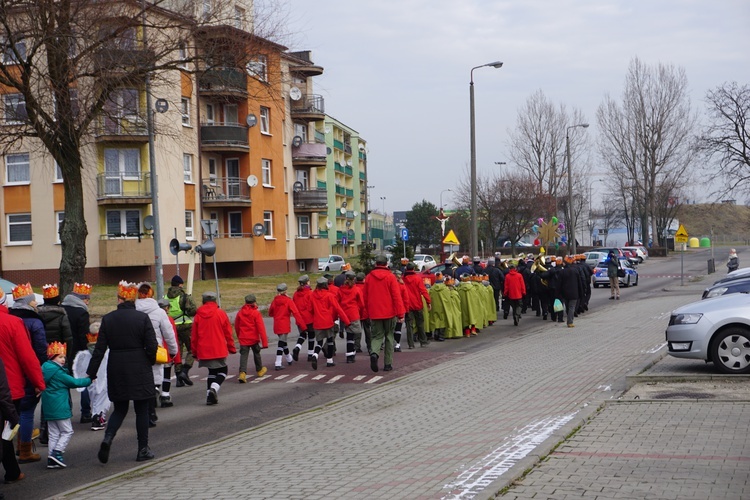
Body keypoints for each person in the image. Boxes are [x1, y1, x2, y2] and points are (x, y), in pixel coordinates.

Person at [87, 281, 158, 464]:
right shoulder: (142, 318)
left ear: (119, 299)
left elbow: (99, 349)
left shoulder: (109, 319)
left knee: (120, 409)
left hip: (117, 366)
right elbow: (152, 345)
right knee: (142, 409)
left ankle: (108, 438)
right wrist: (148, 361)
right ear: (133, 299)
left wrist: (91, 373)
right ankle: (142, 449)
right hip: (139, 366)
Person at [0, 287, 44, 484]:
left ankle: (13, 470)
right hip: (10, 388)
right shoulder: (13, 323)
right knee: (7, 431)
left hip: (9, 386)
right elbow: (27, 357)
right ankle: (12, 471)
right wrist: (38, 383)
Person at [8, 283, 46, 463]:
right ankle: (24, 450)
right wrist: (40, 373)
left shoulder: (9, 318)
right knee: (27, 411)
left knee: (13, 411)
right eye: (33, 302)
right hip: (27, 371)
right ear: (29, 302)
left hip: (10, 370)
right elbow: (38, 350)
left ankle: (14, 445)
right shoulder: (34, 322)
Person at [41, 342, 91, 469]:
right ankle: (57, 453)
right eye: (60, 357)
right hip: (60, 407)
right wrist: (90, 380)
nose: (63, 359)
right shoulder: (58, 372)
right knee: (67, 431)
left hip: (48, 408)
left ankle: (51, 459)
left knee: (53, 433)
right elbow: (74, 382)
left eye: (64, 357)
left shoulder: (45, 369)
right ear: (52, 357)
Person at [136, 283, 178, 426]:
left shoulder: (133, 309)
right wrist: (173, 350)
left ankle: (146, 413)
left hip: (137, 351)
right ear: (151, 295)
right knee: (153, 378)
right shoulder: (159, 312)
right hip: (155, 350)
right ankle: (152, 410)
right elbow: (168, 333)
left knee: (141, 382)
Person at [36, 283, 74, 444]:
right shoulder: (62, 316)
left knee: (47, 393)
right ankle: (62, 427)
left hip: (43, 358)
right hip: (59, 357)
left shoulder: (37, 315)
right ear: (57, 300)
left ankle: (45, 430)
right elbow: (69, 338)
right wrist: (67, 358)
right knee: (62, 392)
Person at [191, 291, 236, 405]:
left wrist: (194, 352)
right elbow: (228, 333)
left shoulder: (198, 315)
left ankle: (209, 396)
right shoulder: (220, 313)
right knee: (223, 371)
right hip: (218, 348)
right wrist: (231, 347)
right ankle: (214, 389)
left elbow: (194, 336)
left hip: (204, 349)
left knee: (212, 371)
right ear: (215, 300)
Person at [363, 254, 405, 373]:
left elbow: (364, 297)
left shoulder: (369, 277)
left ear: (376, 264)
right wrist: (400, 314)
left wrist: (366, 312)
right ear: (386, 264)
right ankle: (388, 364)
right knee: (389, 337)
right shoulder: (390, 277)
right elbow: (396, 297)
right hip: (389, 313)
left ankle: (374, 353)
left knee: (376, 337)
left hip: (375, 313)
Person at [61, 282, 93, 423]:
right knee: (83, 381)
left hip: (61, 351)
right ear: (82, 298)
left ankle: (65, 411)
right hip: (78, 352)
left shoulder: (62, 309)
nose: (88, 301)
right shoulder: (82, 312)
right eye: (87, 298)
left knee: (62, 382)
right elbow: (83, 335)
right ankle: (86, 412)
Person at [72, 322, 110, 431]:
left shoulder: (85, 354)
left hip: (91, 378)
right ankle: (97, 418)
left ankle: (97, 416)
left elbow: (80, 367)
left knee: (95, 398)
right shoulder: (106, 352)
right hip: (103, 378)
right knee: (104, 396)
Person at [309, 278, 350, 370]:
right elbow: (338, 308)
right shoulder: (329, 295)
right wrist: (346, 321)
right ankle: (329, 360)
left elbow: (310, 309)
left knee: (319, 342)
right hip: (328, 320)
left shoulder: (312, 295)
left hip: (317, 321)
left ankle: (315, 355)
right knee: (330, 340)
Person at [164, 275, 197, 387]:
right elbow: (193, 310)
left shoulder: (165, 297)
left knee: (177, 352)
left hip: (172, 327)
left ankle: (179, 379)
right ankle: (185, 371)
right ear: (180, 284)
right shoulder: (184, 296)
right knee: (192, 349)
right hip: (185, 325)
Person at [234, 294, 268, 382]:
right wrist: (264, 342)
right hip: (254, 338)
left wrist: (239, 336)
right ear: (254, 302)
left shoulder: (240, 313)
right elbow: (261, 328)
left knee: (243, 356)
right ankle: (259, 370)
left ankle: (242, 373)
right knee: (256, 353)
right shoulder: (256, 313)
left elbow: (237, 326)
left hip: (243, 338)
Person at [268, 284, 301, 371]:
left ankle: (289, 358)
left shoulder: (274, 301)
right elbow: (295, 312)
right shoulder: (288, 300)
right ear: (285, 291)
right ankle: (278, 362)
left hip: (277, 324)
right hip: (285, 324)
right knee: (281, 343)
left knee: (283, 342)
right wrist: (302, 324)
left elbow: (270, 312)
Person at [338, 271, 365, 363]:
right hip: (354, 314)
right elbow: (361, 304)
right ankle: (351, 353)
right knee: (355, 333)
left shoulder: (340, 290)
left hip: (344, 315)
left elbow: (337, 301)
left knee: (349, 335)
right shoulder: (356, 289)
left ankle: (350, 354)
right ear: (354, 279)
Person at [403, 263, 431, 347]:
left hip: (407, 305)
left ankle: (410, 344)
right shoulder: (417, 278)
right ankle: (423, 341)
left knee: (409, 325)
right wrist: (428, 302)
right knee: (420, 323)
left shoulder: (403, 279)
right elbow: (423, 291)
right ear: (413, 269)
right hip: (417, 304)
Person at [291, 275, 315, 362]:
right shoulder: (310, 293)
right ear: (307, 282)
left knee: (303, 335)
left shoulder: (296, 294)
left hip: (300, 318)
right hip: (309, 318)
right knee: (311, 335)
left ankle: (297, 347)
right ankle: (310, 354)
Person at [560, 256, 583, 328]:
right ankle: (570, 321)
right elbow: (579, 282)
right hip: (574, 292)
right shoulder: (575, 271)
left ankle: (569, 319)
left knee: (567, 306)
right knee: (572, 307)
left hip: (565, 292)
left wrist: (558, 292)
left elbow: (559, 283)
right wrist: (581, 292)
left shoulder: (562, 272)